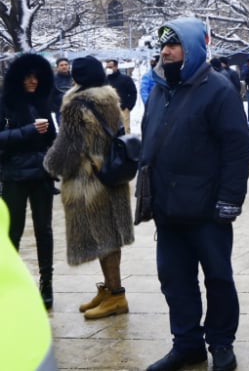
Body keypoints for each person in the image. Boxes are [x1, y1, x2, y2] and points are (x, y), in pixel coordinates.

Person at [141, 18, 249, 371]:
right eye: (163, 46)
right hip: (168, 209)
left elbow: (237, 147)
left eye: (174, 45)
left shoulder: (217, 89)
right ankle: (186, 343)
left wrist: (230, 199)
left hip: (207, 210)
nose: (166, 51)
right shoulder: (161, 90)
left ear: (191, 48)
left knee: (218, 278)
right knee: (174, 280)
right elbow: (153, 136)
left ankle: (221, 343)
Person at [42, 56, 133, 320]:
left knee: (104, 238)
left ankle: (116, 296)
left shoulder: (76, 105)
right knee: (109, 236)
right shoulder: (110, 99)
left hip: (90, 182)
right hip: (111, 177)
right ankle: (109, 290)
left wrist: (49, 164)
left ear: (77, 77)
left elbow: (67, 149)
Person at [0, 53, 57, 310]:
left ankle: (47, 283)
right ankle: (9, 283)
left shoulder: (43, 101)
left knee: (44, 230)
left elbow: (52, 138)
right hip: (14, 175)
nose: (33, 81)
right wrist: (28, 131)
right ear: (19, 77)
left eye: (37, 76)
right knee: (13, 231)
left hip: (41, 176)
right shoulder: (6, 103)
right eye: (28, 76)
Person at [0, 199, 57, 371]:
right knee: (17, 232)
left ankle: (46, 283)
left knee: (42, 230)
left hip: (27, 350)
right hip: (36, 345)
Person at [104, 60, 137, 134]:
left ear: (116, 67)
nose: (108, 69)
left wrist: (129, 107)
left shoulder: (125, 79)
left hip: (123, 110)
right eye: (107, 67)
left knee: (125, 131)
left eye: (110, 67)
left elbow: (133, 93)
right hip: (109, 111)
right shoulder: (104, 81)